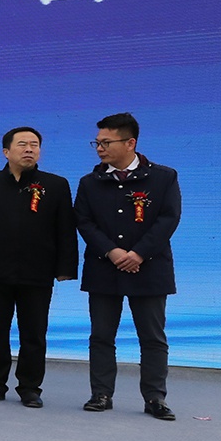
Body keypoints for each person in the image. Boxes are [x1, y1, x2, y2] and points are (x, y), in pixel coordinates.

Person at [0, 127, 78, 408]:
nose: (29, 149)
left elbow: (65, 229)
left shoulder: (56, 185)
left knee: (34, 333)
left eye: (34, 145)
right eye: (22, 144)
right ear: (6, 151)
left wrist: (66, 267)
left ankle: (30, 387)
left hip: (38, 271)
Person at [75, 112, 182, 420]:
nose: (99, 148)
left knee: (152, 337)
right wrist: (111, 251)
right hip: (103, 268)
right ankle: (101, 393)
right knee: (101, 335)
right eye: (97, 143)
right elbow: (84, 221)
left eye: (106, 143)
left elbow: (169, 218)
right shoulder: (90, 182)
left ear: (130, 143)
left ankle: (155, 397)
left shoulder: (163, 177)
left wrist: (138, 254)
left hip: (150, 269)